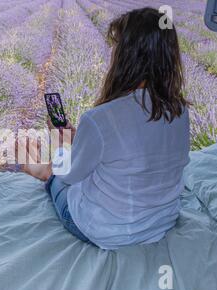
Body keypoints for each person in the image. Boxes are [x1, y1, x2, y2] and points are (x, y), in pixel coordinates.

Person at [23, 7, 190, 250]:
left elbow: (69, 174)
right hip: (159, 224)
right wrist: (77, 138)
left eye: (116, 47)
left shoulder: (101, 118)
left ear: (126, 56)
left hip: (107, 231)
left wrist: (59, 142)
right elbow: (130, 151)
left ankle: (38, 170)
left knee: (58, 179)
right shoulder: (180, 111)